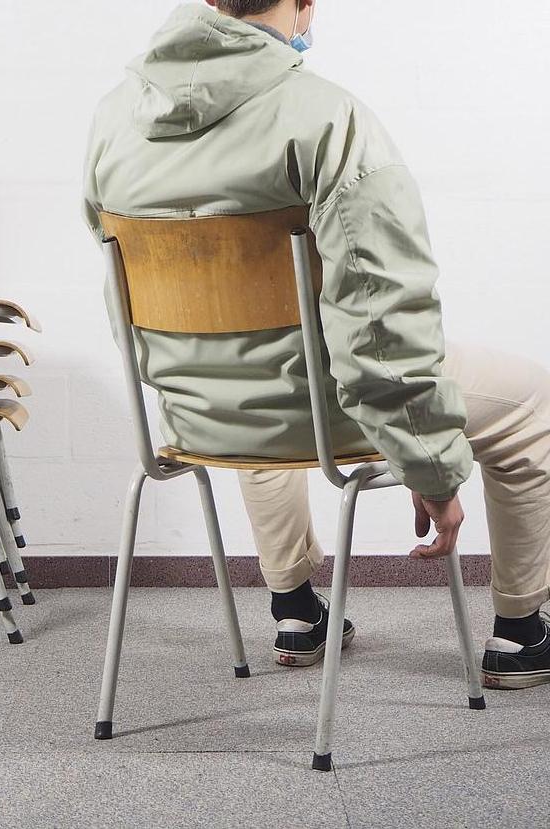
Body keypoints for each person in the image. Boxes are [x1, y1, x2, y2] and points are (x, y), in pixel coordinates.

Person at [82, 0, 550, 689]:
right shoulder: (327, 116)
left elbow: (119, 291)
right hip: (325, 409)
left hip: (198, 410)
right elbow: (384, 315)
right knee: (532, 403)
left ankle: (296, 611)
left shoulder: (113, 117)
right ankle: (519, 632)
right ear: (304, 6)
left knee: (253, 363)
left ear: (212, 3)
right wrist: (431, 465)